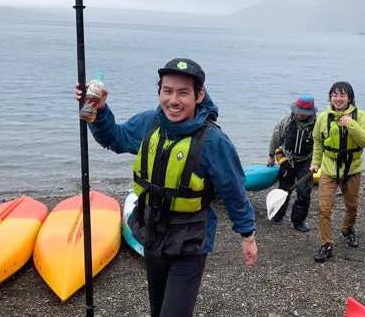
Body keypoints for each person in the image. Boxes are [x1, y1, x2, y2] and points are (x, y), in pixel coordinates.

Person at [75, 58, 257, 317]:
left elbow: (234, 190)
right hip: (152, 233)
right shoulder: (149, 123)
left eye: (183, 92)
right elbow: (114, 138)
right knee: (158, 309)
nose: (174, 100)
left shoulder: (213, 140)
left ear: (199, 95)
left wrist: (247, 235)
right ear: (159, 91)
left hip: (191, 241)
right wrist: (100, 110)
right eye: (167, 91)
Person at [310, 81, 365, 263]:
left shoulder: (360, 116)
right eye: (334, 95)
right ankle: (326, 245)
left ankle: (347, 229)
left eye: (342, 95)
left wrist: (351, 124)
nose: (338, 99)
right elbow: (318, 141)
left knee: (352, 207)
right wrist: (315, 163)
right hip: (329, 169)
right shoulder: (323, 117)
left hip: (352, 170)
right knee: (324, 209)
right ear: (330, 97)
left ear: (349, 97)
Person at [267, 94, 317, 232]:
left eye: (304, 113)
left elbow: (322, 144)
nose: (300, 115)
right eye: (298, 112)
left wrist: (318, 162)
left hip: (306, 161)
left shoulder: (317, 125)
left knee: (304, 192)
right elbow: (275, 139)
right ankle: (278, 214)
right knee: (284, 188)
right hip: (288, 160)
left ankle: (298, 221)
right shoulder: (286, 122)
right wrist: (271, 156)